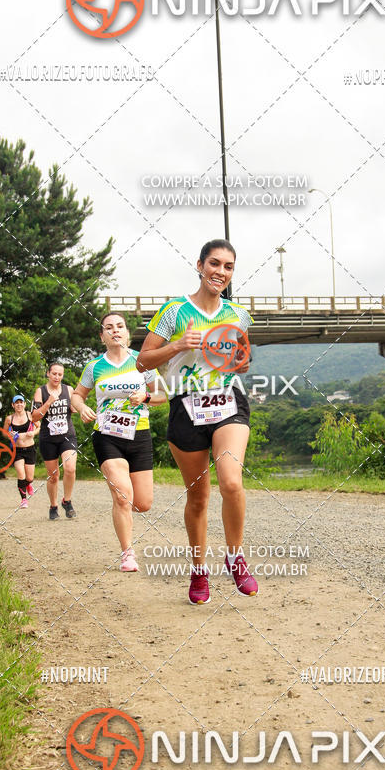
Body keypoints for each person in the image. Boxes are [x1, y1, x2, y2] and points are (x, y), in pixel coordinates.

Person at [138, 238, 258, 605]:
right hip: (186, 407)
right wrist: (177, 346)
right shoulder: (174, 311)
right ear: (200, 265)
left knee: (232, 483)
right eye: (215, 264)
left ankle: (235, 557)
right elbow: (143, 361)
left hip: (227, 402)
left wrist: (235, 360)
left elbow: (243, 359)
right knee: (198, 497)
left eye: (229, 267)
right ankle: (198, 569)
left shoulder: (238, 315)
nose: (221, 272)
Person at [72, 311, 165, 571]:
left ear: (127, 332)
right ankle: (128, 554)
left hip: (139, 434)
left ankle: (121, 505)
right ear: (102, 336)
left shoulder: (142, 361)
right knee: (123, 497)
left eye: (120, 326)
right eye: (109, 328)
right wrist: (81, 408)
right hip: (107, 436)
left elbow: (161, 395)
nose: (115, 330)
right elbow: (77, 396)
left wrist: (145, 397)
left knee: (142, 503)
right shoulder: (94, 366)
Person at [32, 363, 78, 520]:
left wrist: (77, 407)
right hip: (48, 438)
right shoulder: (41, 391)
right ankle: (53, 506)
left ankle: (67, 501)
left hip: (67, 436)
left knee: (70, 468)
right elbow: (34, 416)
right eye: (54, 374)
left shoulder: (69, 390)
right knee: (53, 476)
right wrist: (49, 402)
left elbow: (76, 406)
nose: (57, 377)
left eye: (60, 374)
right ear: (48, 374)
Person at [3, 394, 40, 509]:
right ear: (13, 405)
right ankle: (24, 499)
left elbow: (39, 427)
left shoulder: (30, 415)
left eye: (21, 402)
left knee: (29, 478)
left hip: (30, 449)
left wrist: (33, 433)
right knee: (20, 474)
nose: (19, 404)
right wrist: (10, 434)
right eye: (16, 403)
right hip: (17, 450)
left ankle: (28, 484)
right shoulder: (10, 419)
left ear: (24, 404)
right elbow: (4, 433)